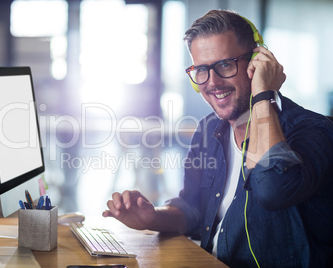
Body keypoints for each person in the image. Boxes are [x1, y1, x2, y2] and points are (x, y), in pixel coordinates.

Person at [102, 9, 333, 268]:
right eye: (201, 69)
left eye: (225, 65)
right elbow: (192, 209)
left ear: (256, 63)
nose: (212, 83)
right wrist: (152, 218)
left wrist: (262, 94)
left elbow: (272, 189)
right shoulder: (209, 130)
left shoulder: (314, 130)